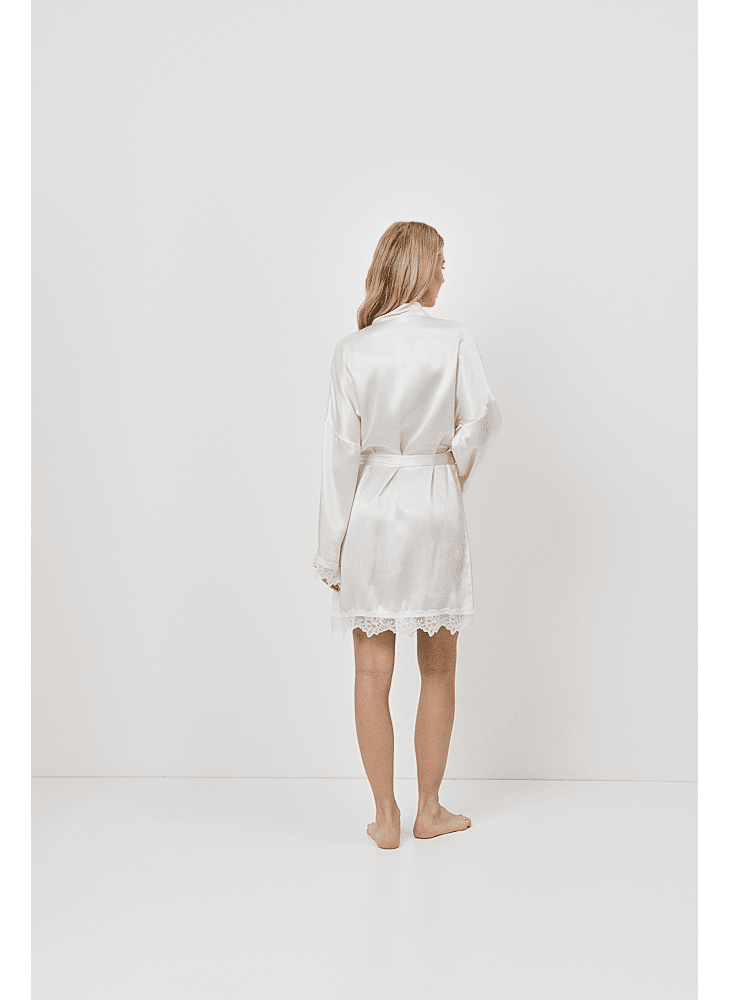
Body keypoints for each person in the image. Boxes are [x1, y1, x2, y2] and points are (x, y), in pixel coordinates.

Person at [312, 221, 503, 849]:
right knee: (439, 666)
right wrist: (447, 473)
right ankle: (429, 809)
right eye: (440, 260)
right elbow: (480, 420)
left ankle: (385, 816)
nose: (445, 272)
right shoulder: (454, 339)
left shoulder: (353, 349)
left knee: (371, 670)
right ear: (417, 266)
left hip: (372, 508)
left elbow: (340, 456)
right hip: (434, 504)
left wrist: (331, 550)